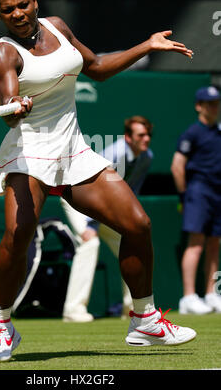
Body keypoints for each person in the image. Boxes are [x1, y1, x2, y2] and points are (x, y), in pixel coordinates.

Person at [0, 0, 196, 363]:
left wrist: (146, 46)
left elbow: (96, 66)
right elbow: (8, 105)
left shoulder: (59, 28)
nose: (17, 13)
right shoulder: (3, 53)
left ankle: (144, 319)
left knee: (138, 224)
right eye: (7, 10)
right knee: (17, 235)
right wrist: (15, 107)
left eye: (22, 4)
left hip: (73, 150)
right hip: (28, 152)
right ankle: (1, 327)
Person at [61, 116, 153, 322]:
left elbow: (131, 192)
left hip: (107, 205)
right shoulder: (116, 155)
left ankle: (133, 308)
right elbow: (94, 190)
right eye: (141, 135)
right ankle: (73, 309)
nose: (146, 139)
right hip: (79, 200)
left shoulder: (147, 157)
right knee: (90, 243)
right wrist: (91, 225)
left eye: (148, 135)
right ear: (128, 138)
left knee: (130, 242)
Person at [171, 86, 221, 315]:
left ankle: (211, 294)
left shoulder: (218, 133)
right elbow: (177, 166)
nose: (214, 107)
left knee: (214, 244)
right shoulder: (192, 133)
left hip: (217, 193)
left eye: (216, 103)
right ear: (198, 106)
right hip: (198, 192)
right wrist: (184, 196)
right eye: (209, 103)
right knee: (196, 244)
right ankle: (188, 297)